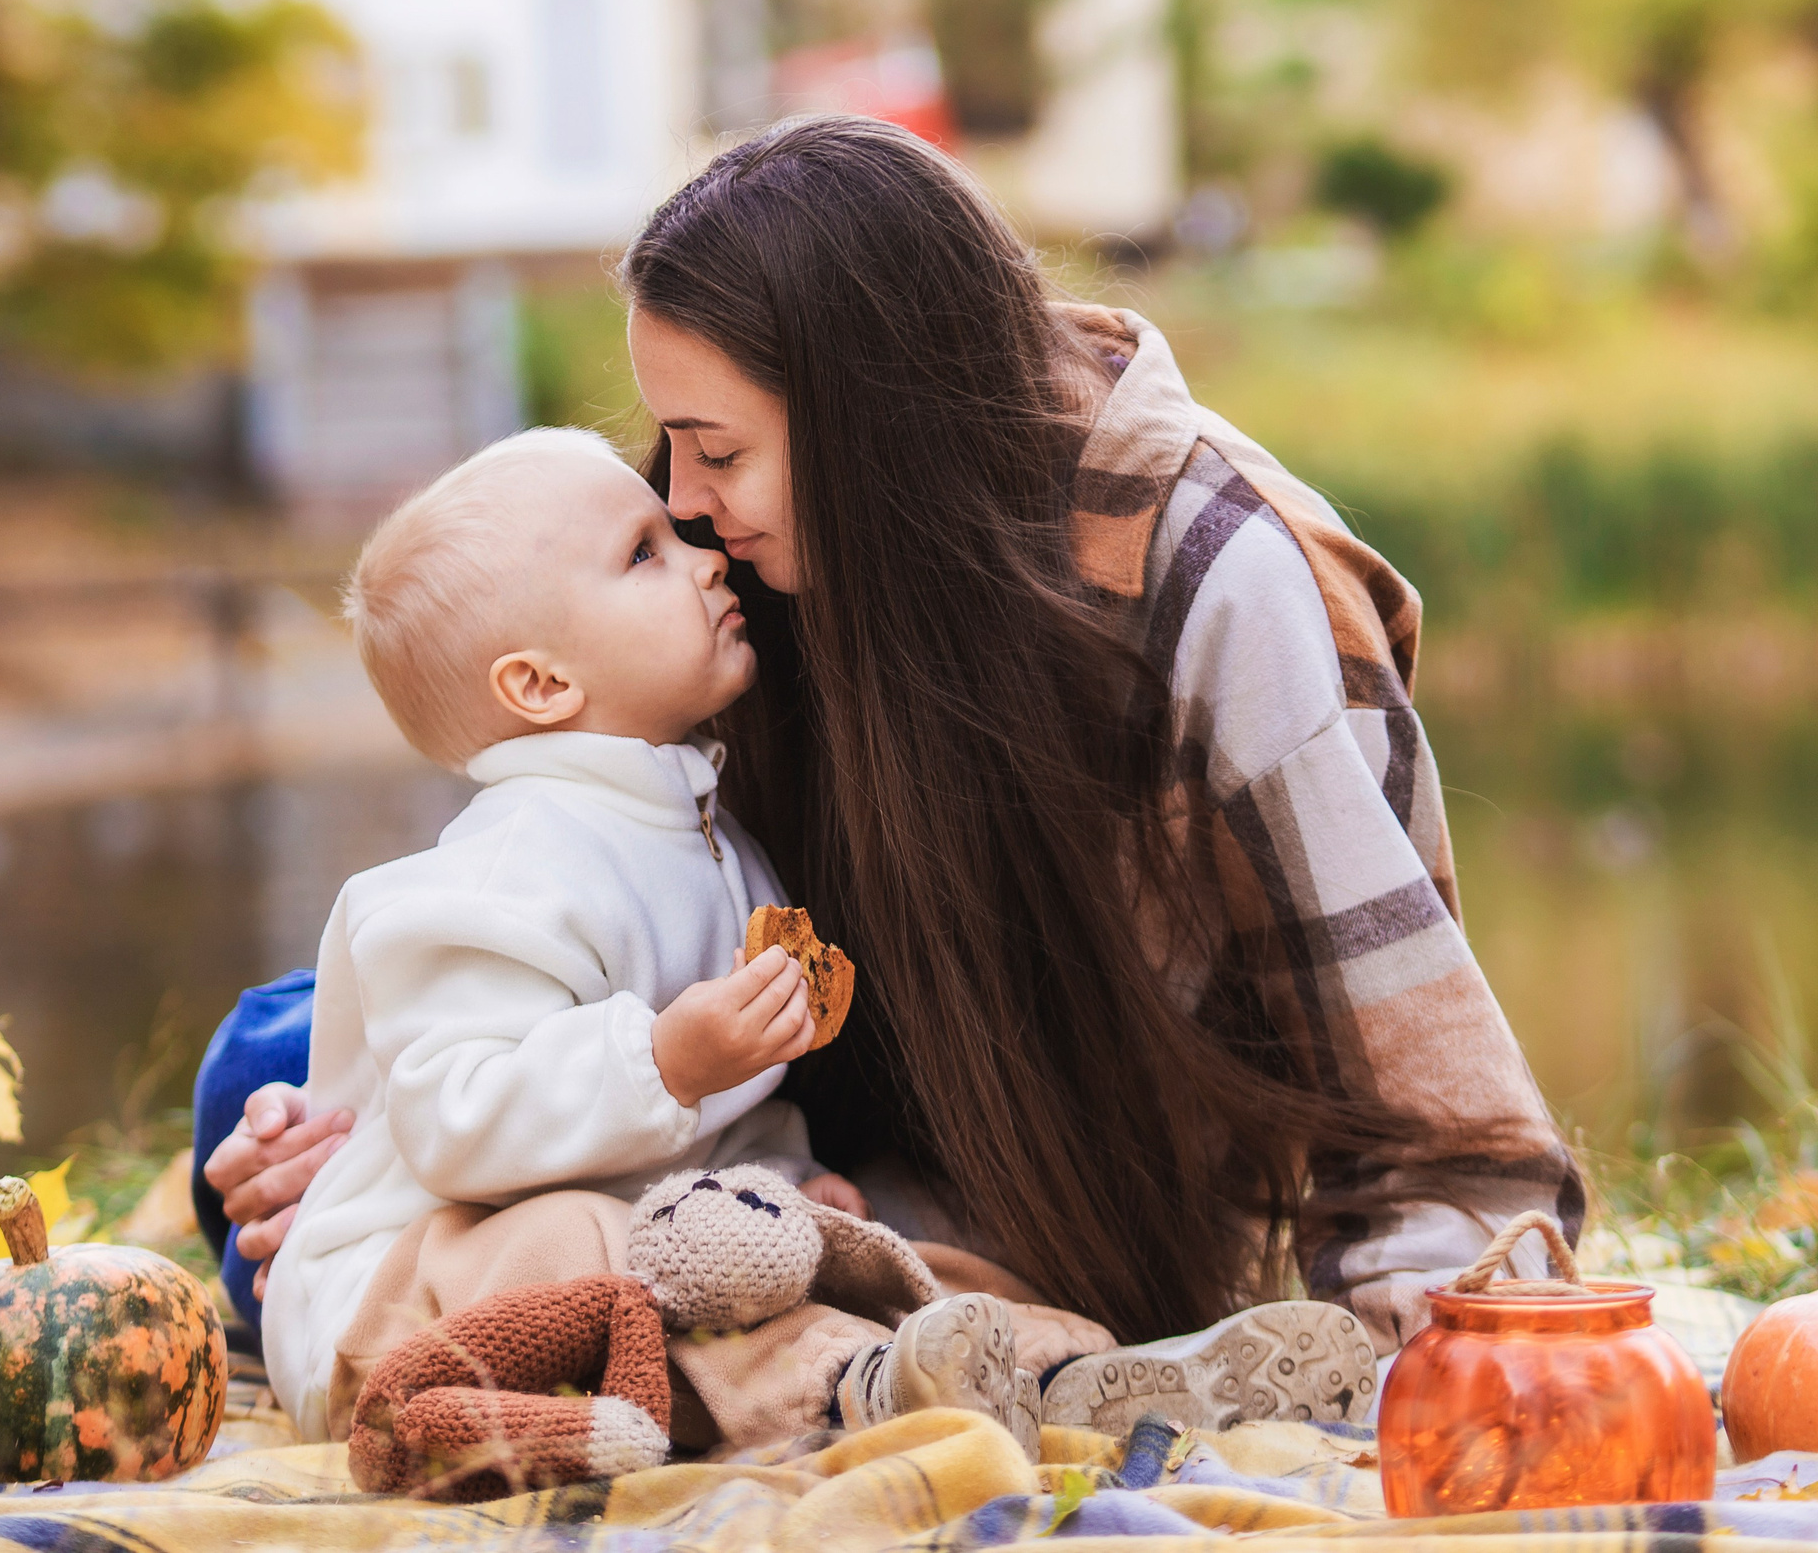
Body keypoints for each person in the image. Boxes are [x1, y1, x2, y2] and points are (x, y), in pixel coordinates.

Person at [201, 114, 1578, 1440]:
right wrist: (369, 1124)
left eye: (717, 449)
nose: (682, 501)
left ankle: (931, 1359)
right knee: (266, 1059)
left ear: (869, 413)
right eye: (673, 446)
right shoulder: (741, 540)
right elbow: (575, 873)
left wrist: (1445, 1352)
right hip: (719, 1108)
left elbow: (1427, 1105)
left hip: (964, 1177)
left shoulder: (1220, 580)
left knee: (609, 1243)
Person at [258, 426, 1103, 1452]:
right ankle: (844, 1388)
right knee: (591, 1247)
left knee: (845, 1235)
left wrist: (785, 1178)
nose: (706, 556)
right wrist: (662, 1060)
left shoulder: (706, 834)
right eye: (643, 553)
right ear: (540, 686)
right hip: (401, 1302)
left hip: (646, 1262)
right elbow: (457, 1117)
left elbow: (712, 1129)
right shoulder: (500, 870)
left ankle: (1053, 1355)